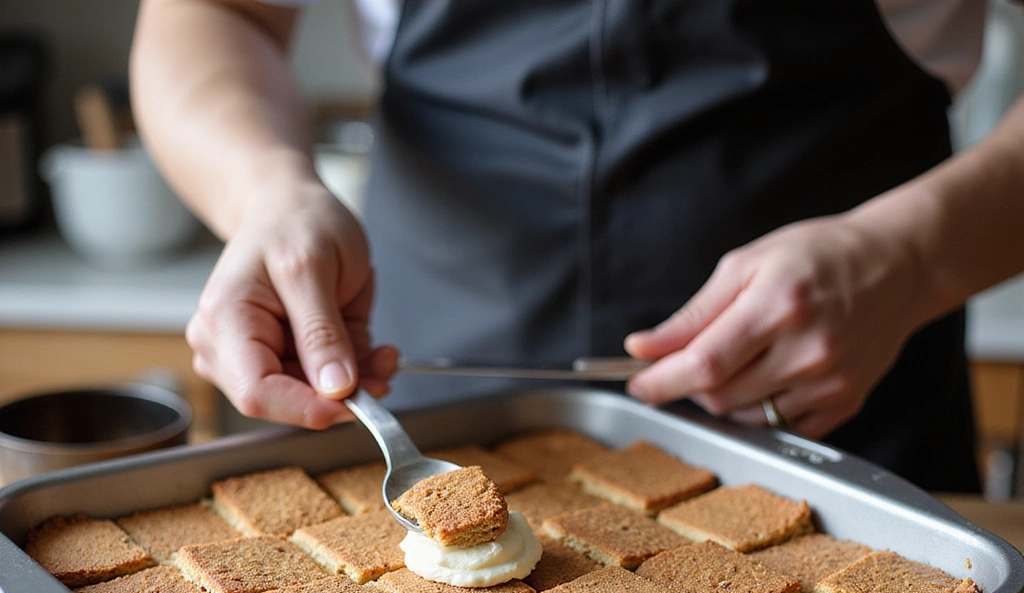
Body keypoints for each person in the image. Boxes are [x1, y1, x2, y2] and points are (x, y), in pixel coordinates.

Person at [130, 0, 1024, 492]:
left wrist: (914, 256)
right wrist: (264, 191)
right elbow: (214, 15)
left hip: (846, 407)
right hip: (424, 387)